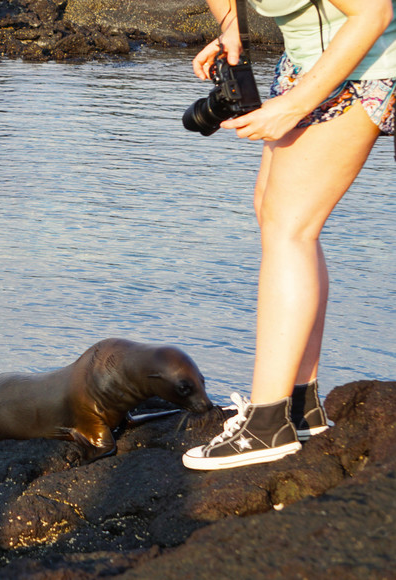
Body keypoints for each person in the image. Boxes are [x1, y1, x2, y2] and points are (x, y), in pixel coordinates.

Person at [182, 0, 396, 470]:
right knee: (275, 215)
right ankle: (299, 404)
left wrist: (293, 106)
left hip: (363, 66)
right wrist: (230, 30)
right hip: (307, 66)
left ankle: (267, 424)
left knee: (290, 226)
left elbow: (375, 12)